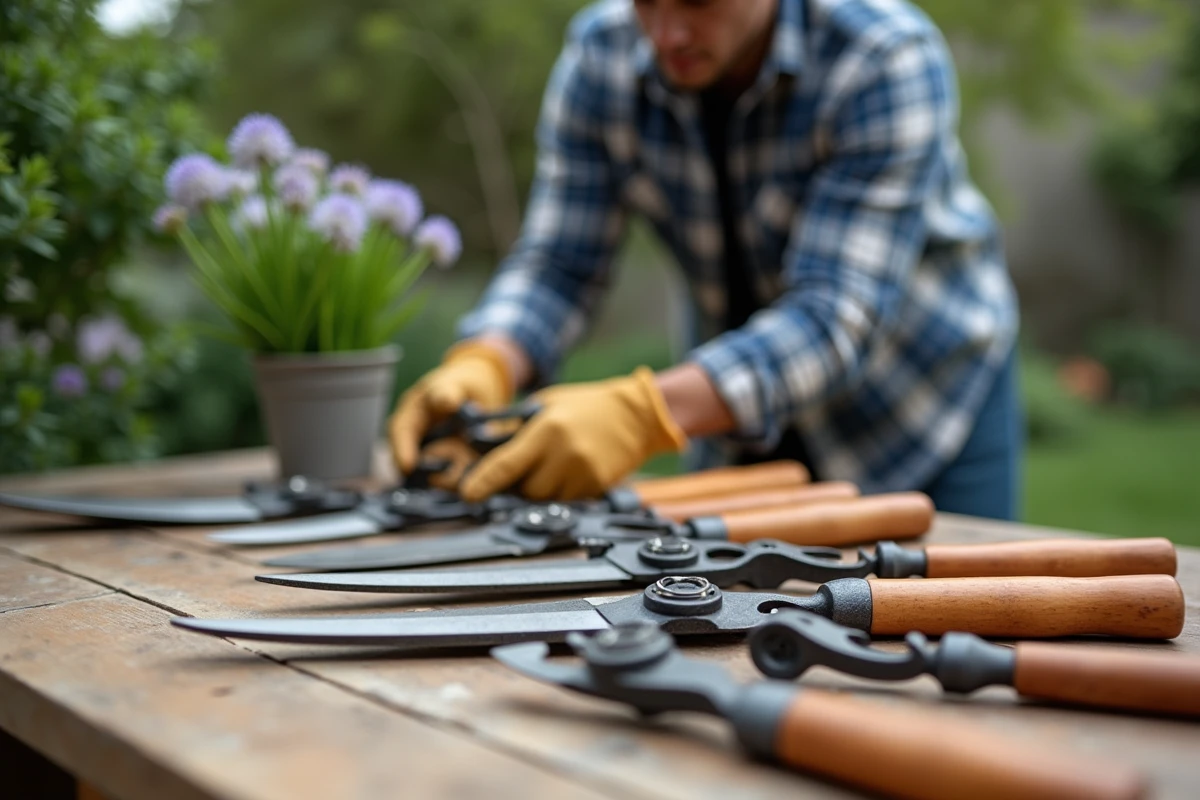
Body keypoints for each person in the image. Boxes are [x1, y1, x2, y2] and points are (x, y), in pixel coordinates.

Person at [389, 0, 1022, 520]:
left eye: (697, 1)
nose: (667, 33)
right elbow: (560, 262)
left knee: (958, 635)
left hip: (922, 401)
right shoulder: (601, 55)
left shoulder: (882, 55)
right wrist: (489, 358)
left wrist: (644, 413)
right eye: (645, 1)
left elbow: (837, 312)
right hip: (731, 408)